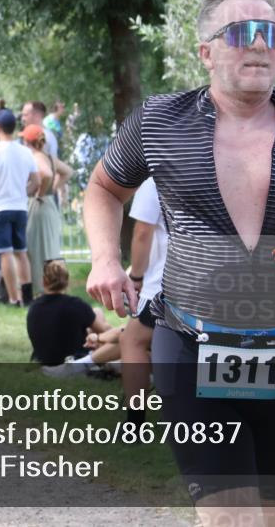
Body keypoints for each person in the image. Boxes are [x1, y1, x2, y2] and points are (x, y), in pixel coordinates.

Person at [84, 0, 275, 523]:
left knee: (273, 519)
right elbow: (104, 188)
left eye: (271, 31)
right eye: (242, 31)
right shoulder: (160, 121)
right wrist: (105, 256)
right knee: (232, 517)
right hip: (191, 346)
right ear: (206, 52)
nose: (261, 43)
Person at [0, 108, 39, 307]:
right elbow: (36, 180)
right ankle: (28, 295)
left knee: (5, 253)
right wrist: (24, 192)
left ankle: (14, 298)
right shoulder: (24, 151)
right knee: (21, 252)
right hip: (19, 206)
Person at [120, 177, 168, 425]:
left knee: (132, 340)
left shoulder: (154, 182)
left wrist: (136, 277)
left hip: (164, 286)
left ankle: (135, 422)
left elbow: (142, 233)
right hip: (215, 285)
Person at [28, 259, 116, 372]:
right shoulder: (75, 304)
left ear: (44, 281)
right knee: (100, 317)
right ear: (67, 281)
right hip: (73, 359)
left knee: (97, 312)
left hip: (44, 359)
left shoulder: (34, 307)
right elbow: (104, 332)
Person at [21, 124, 71, 296]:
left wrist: (40, 193)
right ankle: (55, 285)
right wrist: (53, 189)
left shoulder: (36, 157)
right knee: (50, 247)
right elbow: (67, 172)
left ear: (27, 141)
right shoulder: (50, 156)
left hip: (39, 205)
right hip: (49, 203)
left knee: (38, 248)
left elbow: (47, 174)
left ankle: (41, 288)